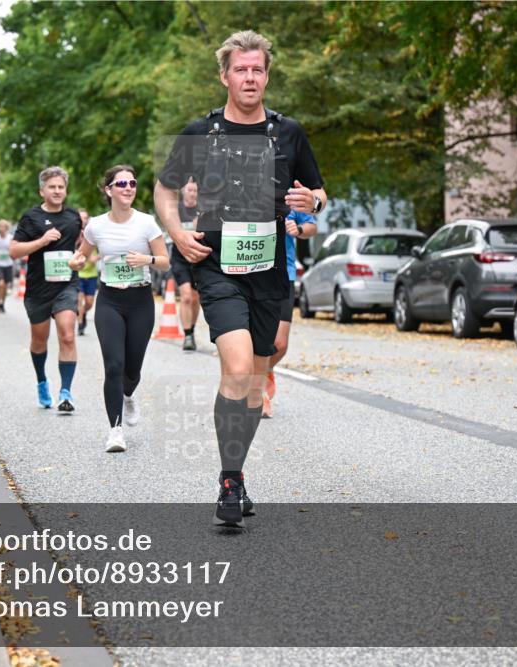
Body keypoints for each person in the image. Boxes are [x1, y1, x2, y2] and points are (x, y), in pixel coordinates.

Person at [154, 30, 326, 527]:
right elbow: (165, 192)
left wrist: (311, 203)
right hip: (215, 263)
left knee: (254, 382)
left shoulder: (288, 132)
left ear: (266, 75)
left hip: (269, 267)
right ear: (225, 75)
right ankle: (229, 482)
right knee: (234, 368)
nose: (250, 77)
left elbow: (318, 192)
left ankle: (237, 472)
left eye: (258, 70)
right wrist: (177, 235)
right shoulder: (199, 133)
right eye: (241, 69)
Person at [69, 165, 168, 452]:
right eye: (121, 183)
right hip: (109, 300)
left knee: (132, 370)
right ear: (108, 189)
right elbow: (82, 255)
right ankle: (115, 431)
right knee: (113, 366)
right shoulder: (96, 225)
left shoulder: (147, 223)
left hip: (140, 302)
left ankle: (128, 395)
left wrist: (146, 261)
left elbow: (164, 260)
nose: (128, 188)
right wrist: (76, 262)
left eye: (132, 183)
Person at [10, 166, 83, 412]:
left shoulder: (74, 217)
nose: (57, 191)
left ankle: (66, 392)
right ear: (42, 191)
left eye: (61, 187)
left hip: (67, 285)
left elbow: (82, 246)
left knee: (68, 334)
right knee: (39, 341)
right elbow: (14, 250)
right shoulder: (30, 218)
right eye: (52, 187)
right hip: (38, 289)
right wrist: (42, 241)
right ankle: (42, 380)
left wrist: (81, 257)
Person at [262, 209, 317, 417]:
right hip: (254, 271)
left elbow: (312, 227)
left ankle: (265, 369)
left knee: (280, 345)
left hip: (285, 274)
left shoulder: (292, 196)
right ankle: (259, 392)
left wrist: (299, 228)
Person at [172, 178, 202, 350]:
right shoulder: (176, 211)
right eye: (190, 190)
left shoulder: (202, 210)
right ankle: (188, 335)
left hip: (197, 258)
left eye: (195, 191)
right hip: (179, 258)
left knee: (196, 297)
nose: (192, 194)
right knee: (186, 296)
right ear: (183, 191)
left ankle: (192, 328)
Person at [75, 208, 100, 335]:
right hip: (78, 274)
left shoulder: (93, 233)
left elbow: (102, 249)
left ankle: (82, 314)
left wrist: (96, 257)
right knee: (79, 299)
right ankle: (80, 324)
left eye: (85, 218)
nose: (83, 220)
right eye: (80, 218)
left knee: (89, 303)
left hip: (91, 274)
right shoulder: (74, 233)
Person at [0, 219, 16, 313]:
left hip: (8, 263)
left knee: (6, 286)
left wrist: (11, 253)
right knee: (1, 283)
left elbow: (13, 249)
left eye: (2, 226)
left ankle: (2, 304)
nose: (0, 228)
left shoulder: (10, 238)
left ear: (6, 228)